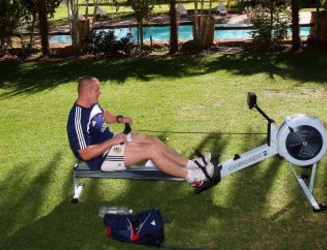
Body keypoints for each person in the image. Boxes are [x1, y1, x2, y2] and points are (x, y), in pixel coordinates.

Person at [67, 76, 216, 191]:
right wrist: (112, 142)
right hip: (101, 158)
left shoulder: (92, 103)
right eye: (97, 90)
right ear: (86, 92)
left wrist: (119, 118)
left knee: (152, 140)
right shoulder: (77, 118)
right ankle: (193, 176)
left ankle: (192, 164)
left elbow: (103, 115)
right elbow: (84, 153)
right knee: (150, 150)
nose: (100, 92)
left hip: (112, 141)